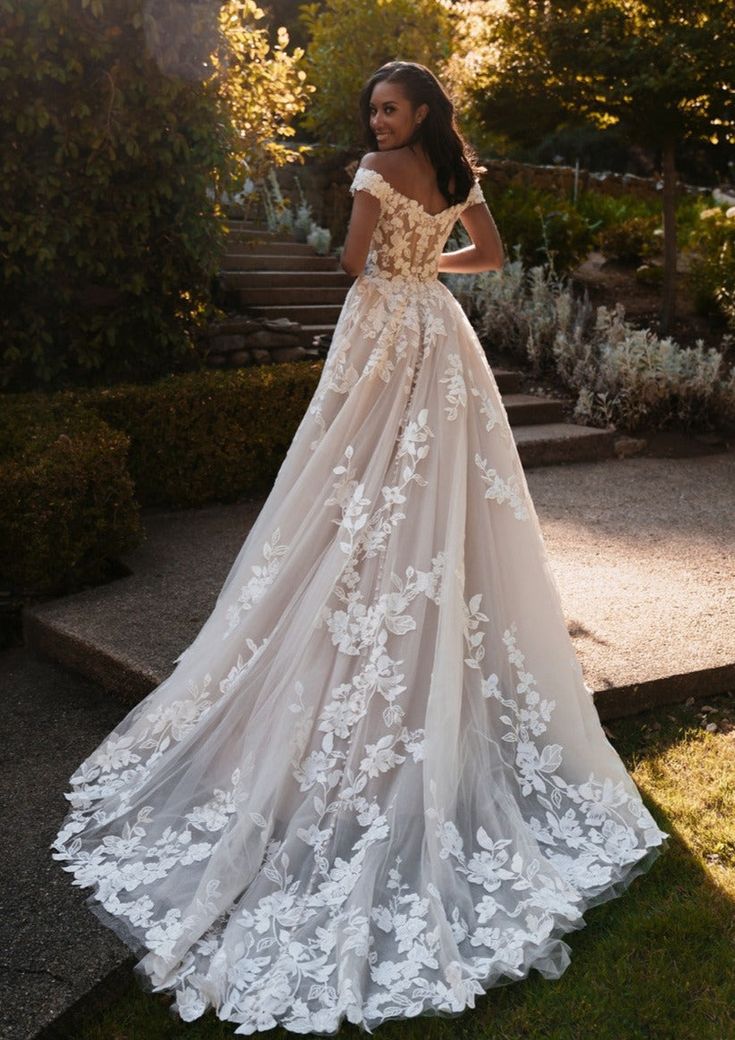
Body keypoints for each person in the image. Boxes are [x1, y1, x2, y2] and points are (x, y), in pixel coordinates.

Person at [50, 60, 668, 1035]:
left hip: (384, 328)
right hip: (438, 330)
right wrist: (434, 273)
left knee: (354, 485)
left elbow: (352, 265)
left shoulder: (375, 171)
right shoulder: (456, 169)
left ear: (416, 108)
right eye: (372, 109)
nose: (376, 119)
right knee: (430, 495)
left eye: (387, 106)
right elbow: (490, 255)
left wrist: (397, 266)